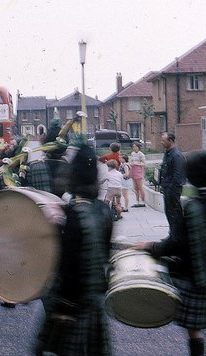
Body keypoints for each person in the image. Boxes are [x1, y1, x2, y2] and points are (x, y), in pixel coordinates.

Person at [133, 150, 206, 356]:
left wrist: (150, 247)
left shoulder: (190, 207)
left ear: (190, 177)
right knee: (195, 329)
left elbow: (175, 243)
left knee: (190, 326)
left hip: (190, 275)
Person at [35, 143, 113, 355]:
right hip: (95, 299)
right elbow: (104, 255)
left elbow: (68, 266)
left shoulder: (72, 216)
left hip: (72, 303)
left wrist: (63, 306)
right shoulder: (104, 211)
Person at [159, 132, 186, 235]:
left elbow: (178, 174)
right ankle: (173, 234)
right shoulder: (168, 153)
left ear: (170, 141)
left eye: (163, 140)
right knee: (169, 212)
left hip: (173, 189)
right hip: (167, 188)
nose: (162, 142)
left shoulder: (176, 155)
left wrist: (170, 189)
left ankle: (177, 235)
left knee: (174, 213)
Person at [129, 142, 146, 207]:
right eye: (133, 147)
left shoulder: (141, 154)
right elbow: (131, 160)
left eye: (136, 146)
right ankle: (137, 201)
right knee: (135, 187)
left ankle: (143, 201)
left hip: (138, 170)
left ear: (138, 147)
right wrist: (130, 163)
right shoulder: (132, 154)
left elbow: (144, 163)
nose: (134, 148)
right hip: (133, 170)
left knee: (140, 187)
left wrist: (136, 164)